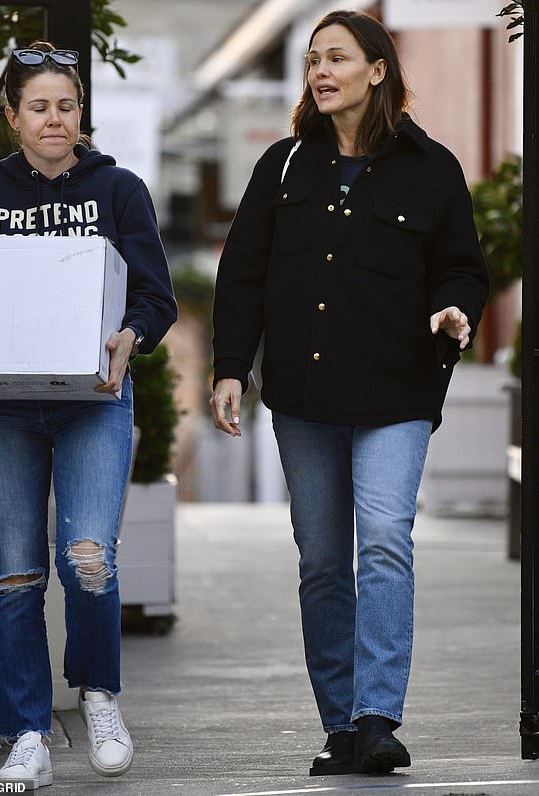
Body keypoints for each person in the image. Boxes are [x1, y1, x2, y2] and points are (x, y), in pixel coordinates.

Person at [210, 10, 489, 777]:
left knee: (386, 545)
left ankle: (377, 718)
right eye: (311, 61)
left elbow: (462, 266)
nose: (319, 72)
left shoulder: (431, 169)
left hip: (396, 392)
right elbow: (242, 275)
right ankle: (339, 723)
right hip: (301, 397)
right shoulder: (284, 167)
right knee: (324, 562)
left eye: (335, 57)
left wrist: (455, 307)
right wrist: (231, 367)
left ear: (376, 70)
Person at [0, 41, 177, 788]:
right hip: (5, 408)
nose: (54, 120)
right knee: (15, 578)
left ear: (80, 113)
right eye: (38, 107)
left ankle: (98, 697)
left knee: (90, 561)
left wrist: (132, 335)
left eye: (66, 106)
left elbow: (156, 297)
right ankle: (28, 733)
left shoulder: (119, 190)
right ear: (11, 116)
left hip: (93, 402)